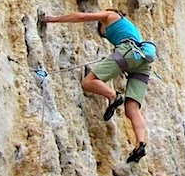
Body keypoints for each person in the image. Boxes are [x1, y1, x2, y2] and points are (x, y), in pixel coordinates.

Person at [43, 9, 156, 162]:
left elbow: (81, 16)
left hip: (127, 51)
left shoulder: (111, 16)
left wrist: (53, 19)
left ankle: (113, 96)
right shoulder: (129, 28)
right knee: (132, 109)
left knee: (88, 82)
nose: (103, 34)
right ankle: (140, 144)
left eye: (102, 31)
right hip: (142, 63)